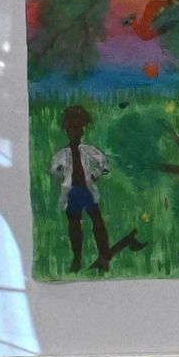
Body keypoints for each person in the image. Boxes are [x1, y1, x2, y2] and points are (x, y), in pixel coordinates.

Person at [46, 104, 138, 272]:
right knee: (74, 225)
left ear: (82, 131)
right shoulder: (63, 154)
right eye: (71, 129)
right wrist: (64, 178)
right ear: (66, 131)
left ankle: (103, 256)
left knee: (97, 222)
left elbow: (104, 163)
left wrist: (95, 175)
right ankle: (77, 259)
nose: (74, 133)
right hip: (72, 192)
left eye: (77, 129)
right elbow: (52, 169)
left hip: (86, 190)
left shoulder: (88, 150)